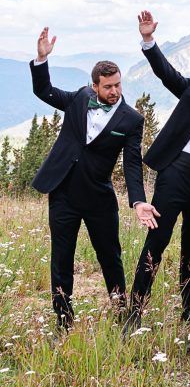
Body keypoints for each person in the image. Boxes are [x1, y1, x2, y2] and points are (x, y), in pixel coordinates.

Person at [30, 27, 145, 329]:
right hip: (63, 191)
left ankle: (121, 310)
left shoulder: (132, 120)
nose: (114, 92)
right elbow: (45, 92)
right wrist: (42, 60)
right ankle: (63, 319)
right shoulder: (80, 98)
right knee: (62, 258)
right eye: (108, 87)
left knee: (110, 256)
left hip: (98, 197)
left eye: (118, 85)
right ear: (94, 86)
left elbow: (132, 163)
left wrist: (139, 201)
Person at [124, 10, 190, 333]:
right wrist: (148, 40)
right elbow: (166, 73)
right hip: (177, 173)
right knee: (157, 239)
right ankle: (135, 311)